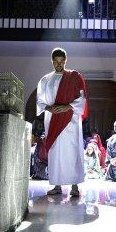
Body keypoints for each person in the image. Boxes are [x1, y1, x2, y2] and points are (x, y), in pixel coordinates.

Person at [36, 48, 87, 197]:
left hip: (70, 120)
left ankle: (74, 186)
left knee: (72, 151)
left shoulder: (74, 77)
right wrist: (49, 108)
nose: (59, 64)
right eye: (55, 62)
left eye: (61, 61)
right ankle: (57, 185)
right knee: (55, 151)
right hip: (52, 119)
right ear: (52, 61)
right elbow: (40, 99)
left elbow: (82, 99)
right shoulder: (45, 79)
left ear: (65, 60)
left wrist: (67, 107)